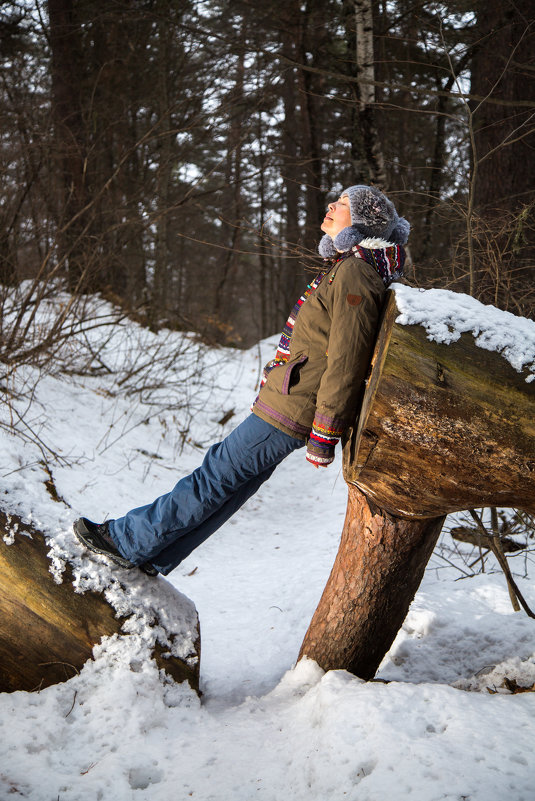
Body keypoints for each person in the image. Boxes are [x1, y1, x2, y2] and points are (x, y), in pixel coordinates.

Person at [74, 184, 410, 577]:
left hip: (295, 405)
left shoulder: (355, 271)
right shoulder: (347, 267)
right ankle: (156, 554)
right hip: (291, 397)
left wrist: (325, 429)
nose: (331, 206)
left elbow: (347, 356)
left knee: (214, 476)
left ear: (361, 223)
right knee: (229, 486)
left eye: (343, 204)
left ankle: (126, 541)